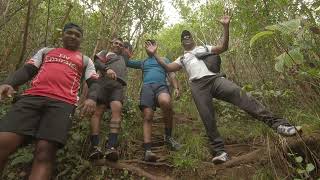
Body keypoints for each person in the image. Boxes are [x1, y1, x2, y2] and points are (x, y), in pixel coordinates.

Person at [149, 15, 301, 164]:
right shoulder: (182, 58)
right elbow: (168, 67)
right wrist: (155, 55)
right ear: (182, 43)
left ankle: (280, 125)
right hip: (198, 86)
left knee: (242, 96)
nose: (186, 38)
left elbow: (223, 47)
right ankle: (220, 152)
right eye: (184, 38)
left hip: (215, 79)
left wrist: (226, 27)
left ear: (193, 39)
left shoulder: (205, 47)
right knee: (207, 117)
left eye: (188, 36)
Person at [0, 23, 99, 179]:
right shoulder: (46, 52)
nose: (73, 36)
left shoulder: (85, 60)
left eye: (77, 35)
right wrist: (9, 83)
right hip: (31, 98)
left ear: (81, 40)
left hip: (63, 104)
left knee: (45, 152)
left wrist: (92, 98)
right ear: (63, 35)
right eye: (70, 33)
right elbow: (28, 70)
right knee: (4, 141)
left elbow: (94, 82)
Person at [126, 39, 182, 162]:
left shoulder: (164, 60)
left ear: (156, 47)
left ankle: (168, 137)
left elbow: (171, 74)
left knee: (166, 102)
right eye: (147, 46)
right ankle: (147, 150)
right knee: (148, 115)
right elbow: (126, 62)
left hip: (161, 86)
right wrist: (125, 51)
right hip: (147, 87)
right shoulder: (143, 62)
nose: (149, 48)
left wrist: (176, 87)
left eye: (152, 45)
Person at [88, 37, 127, 162]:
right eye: (116, 43)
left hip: (118, 86)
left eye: (121, 44)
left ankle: (111, 146)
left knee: (117, 108)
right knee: (98, 111)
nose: (118, 45)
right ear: (111, 44)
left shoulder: (124, 58)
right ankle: (95, 147)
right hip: (103, 83)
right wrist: (107, 69)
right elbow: (97, 62)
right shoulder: (104, 53)